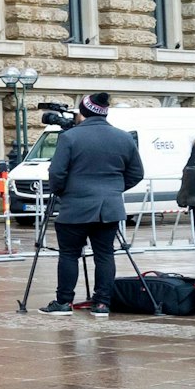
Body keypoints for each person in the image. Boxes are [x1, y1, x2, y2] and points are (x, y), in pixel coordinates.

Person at [40, 92, 144, 317]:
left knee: (69, 254)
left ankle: (64, 302)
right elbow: (136, 173)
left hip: (75, 206)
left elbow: (56, 173)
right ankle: (102, 304)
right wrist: (113, 190)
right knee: (104, 254)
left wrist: (64, 192)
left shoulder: (70, 137)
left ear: (84, 112)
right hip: (110, 207)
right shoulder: (124, 137)